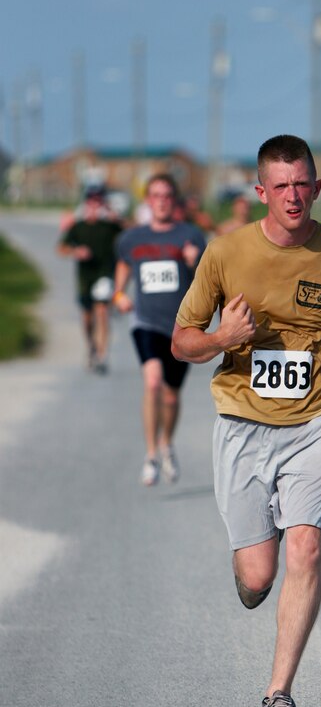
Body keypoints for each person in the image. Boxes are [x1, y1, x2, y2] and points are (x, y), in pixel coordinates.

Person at [171, 135, 321, 707]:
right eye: (281, 186)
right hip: (242, 421)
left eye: (303, 185)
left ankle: (279, 695)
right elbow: (182, 340)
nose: (293, 196)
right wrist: (221, 338)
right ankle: (248, 574)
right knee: (259, 575)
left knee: (307, 548)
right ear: (261, 191)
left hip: (316, 417)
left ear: (317, 189)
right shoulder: (225, 253)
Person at [113, 173, 207, 486]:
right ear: (148, 200)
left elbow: (206, 280)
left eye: (167, 195)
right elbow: (125, 264)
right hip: (146, 322)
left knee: (171, 396)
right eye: (156, 195)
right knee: (152, 381)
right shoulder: (132, 238)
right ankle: (151, 453)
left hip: (181, 327)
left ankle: (167, 443)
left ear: (175, 201)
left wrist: (195, 262)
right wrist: (118, 293)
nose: (162, 201)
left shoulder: (190, 236)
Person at [57, 185, 125, 374]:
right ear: (86, 202)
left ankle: (102, 355)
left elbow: (135, 232)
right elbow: (61, 248)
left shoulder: (112, 225)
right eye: (92, 201)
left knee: (102, 311)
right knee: (87, 318)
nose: (95, 205)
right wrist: (75, 251)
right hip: (85, 278)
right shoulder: (78, 226)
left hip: (105, 274)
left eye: (99, 201)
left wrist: (118, 219)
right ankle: (91, 347)